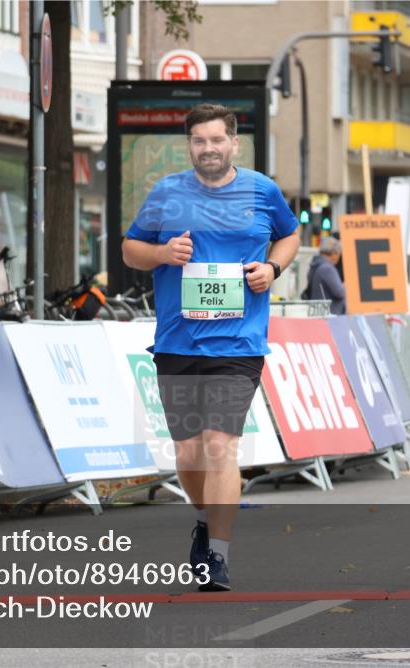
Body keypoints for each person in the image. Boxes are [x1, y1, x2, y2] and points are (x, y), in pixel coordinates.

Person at [122, 103, 300, 592]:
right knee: (188, 451)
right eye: (199, 141)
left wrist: (273, 269)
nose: (208, 149)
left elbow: (290, 235)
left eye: (216, 140)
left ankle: (217, 557)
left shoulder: (262, 191)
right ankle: (202, 519)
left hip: (239, 343)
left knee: (221, 446)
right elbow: (130, 249)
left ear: (233, 143)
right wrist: (161, 253)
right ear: (190, 146)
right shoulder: (167, 193)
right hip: (178, 341)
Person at [305, 236, 346, 314]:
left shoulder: (315, 265)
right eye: (339, 254)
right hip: (331, 313)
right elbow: (340, 293)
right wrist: (346, 285)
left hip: (319, 311)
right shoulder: (328, 268)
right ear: (334, 253)